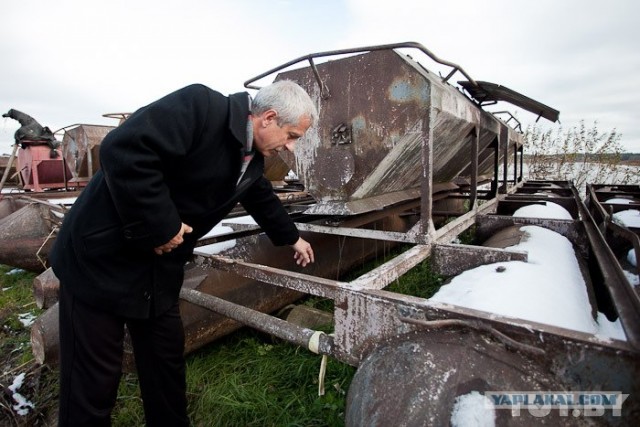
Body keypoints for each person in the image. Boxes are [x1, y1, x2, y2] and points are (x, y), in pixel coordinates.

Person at [50, 80, 318, 426]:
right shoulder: (200, 108)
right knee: (93, 379)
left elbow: (259, 195)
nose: (292, 147)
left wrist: (292, 238)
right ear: (268, 118)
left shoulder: (251, 159)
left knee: (165, 366)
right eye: (293, 135)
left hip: (157, 269)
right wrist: (162, 225)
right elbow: (125, 149)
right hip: (101, 260)